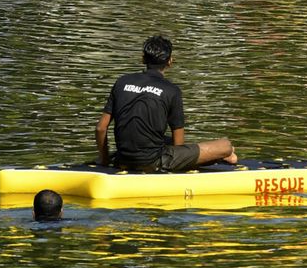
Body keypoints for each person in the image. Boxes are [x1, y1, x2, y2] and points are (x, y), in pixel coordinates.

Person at [96, 34, 238, 173]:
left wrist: (104, 161)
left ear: (142, 59)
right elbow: (179, 145)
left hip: (122, 160)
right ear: (170, 61)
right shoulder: (172, 90)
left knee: (164, 141)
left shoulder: (122, 82)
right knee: (225, 145)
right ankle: (227, 155)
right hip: (153, 163)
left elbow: (101, 128)